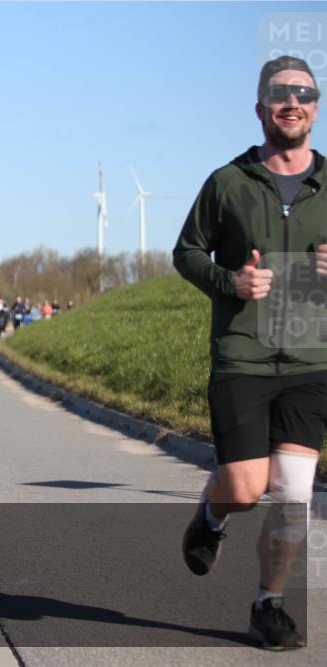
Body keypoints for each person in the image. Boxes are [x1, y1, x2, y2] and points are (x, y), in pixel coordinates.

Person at [173, 55, 326, 651]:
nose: (293, 102)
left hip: (311, 359)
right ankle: (210, 517)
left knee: (294, 489)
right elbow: (186, 253)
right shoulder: (227, 182)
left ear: (315, 105)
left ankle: (270, 605)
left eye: (304, 92)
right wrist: (230, 282)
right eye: (280, 94)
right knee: (242, 488)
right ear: (261, 108)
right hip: (243, 354)